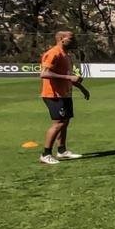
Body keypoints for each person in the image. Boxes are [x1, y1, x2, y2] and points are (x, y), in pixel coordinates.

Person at [38, 31, 84, 164]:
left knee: (65, 122)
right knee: (58, 123)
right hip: (53, 94)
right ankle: (45, 154)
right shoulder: (54, 53)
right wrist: (69, 77)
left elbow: (66, 75)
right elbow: (44, 73)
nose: (74, 41)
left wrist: (82, 88)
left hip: (64, 93)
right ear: (61, 39)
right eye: (71, 38)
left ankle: (62, 151)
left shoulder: (66, 55)